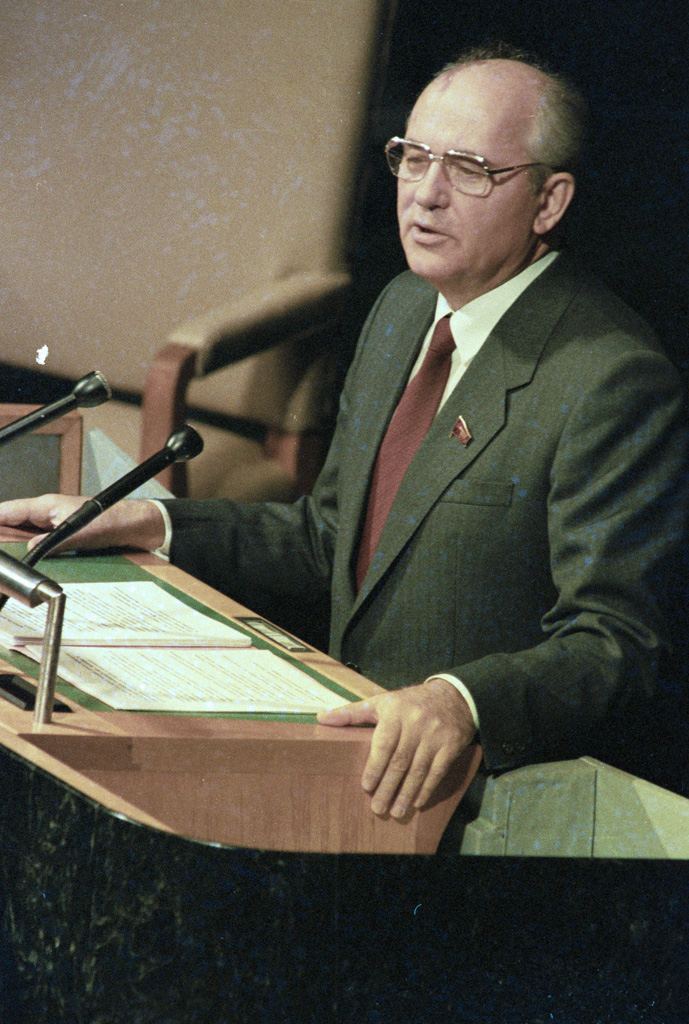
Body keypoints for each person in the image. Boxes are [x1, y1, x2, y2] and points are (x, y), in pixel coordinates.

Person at [1, 46, 687, 824]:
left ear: (548, 200)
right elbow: (332, 538)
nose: (425, 196)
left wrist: (461, 703)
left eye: (468, 170)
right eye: (412, 157)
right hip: (337, 758)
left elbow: (615, 645)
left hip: (464, 804)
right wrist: (153, 523)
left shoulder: (608, 378)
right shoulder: (402, 308)